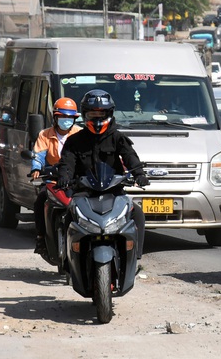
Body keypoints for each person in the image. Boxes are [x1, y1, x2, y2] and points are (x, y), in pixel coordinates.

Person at [57, 89, 150, 258]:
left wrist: (139, 174)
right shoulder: (74, 140)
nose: (97, 118)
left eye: (101, 113)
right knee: (68, 217)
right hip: (83, 191)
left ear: (109, 113)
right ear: (85, 115)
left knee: (137, 214)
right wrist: (64, 177)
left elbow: (130, 156)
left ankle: (135, 256)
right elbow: (66, 162)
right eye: (93, 113)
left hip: (113, 191)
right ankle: (66, 258)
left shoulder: (117, 137)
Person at [30, 97, 82, 254]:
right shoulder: (45, 135)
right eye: (62, 117)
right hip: (53, 180)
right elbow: (38, 155)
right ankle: (40, 238)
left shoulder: (80, 134)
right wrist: (36, 169)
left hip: (75, 180)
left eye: (70, 118)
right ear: (55, 117)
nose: (66, 121)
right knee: (40, 201)